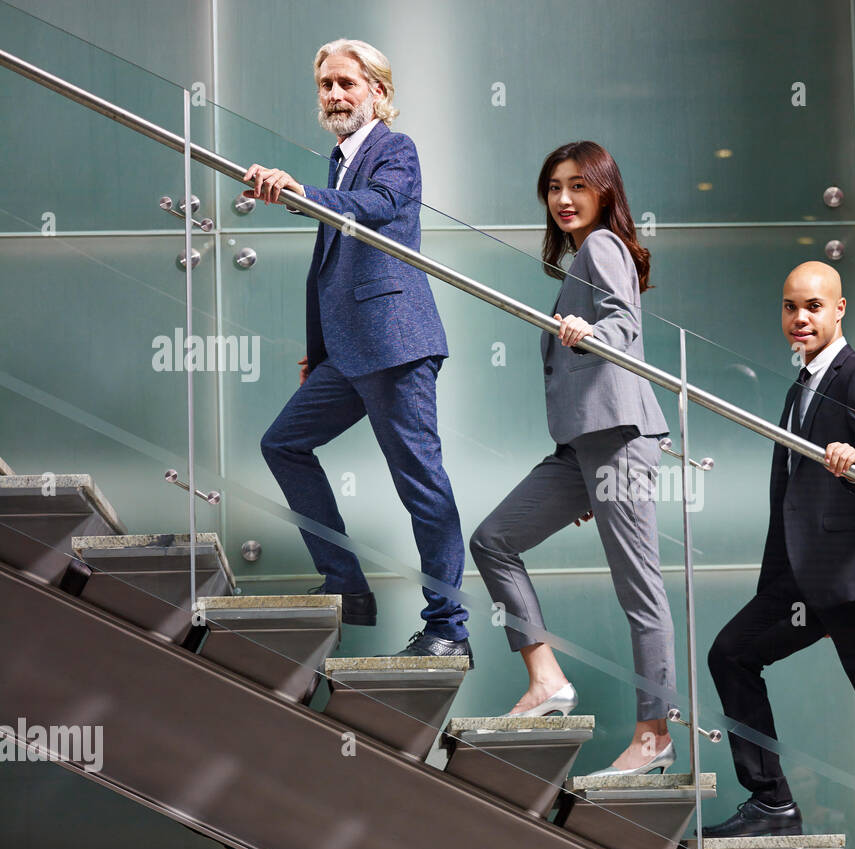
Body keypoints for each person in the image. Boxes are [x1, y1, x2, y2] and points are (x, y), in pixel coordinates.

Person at [703, 262, 855, 849]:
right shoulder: (799, 385)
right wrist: (772, 585)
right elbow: (789, 497)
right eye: (789, 307)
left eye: (812, 306)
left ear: (839, 311)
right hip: (802, 582)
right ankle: (771, 801)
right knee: (731, 654)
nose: (799, 318)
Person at [244, 39, 469, 660]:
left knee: (420, 484)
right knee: (283, 444)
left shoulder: (394, 150)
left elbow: (378, 208)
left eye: (348, 83)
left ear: (379, 92)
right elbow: (328, 272)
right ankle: (347, 586)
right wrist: (318, 357)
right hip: (346, 356)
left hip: (396, 346)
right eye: (327, 86)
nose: (336, 95)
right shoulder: (338, 162)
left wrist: (301, 194)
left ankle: (449, 629)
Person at [469, 141, 676, 776]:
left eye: (577, 186)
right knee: (492, 540)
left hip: (617, 443)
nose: (562, 199)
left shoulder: (602, 248)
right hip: (584, 450)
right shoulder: (581, 261)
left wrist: (590, 335)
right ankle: (546, 677)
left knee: (639, 590)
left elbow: (624, 326)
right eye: (554, 188)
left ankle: (654, 734)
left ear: (604, 192)